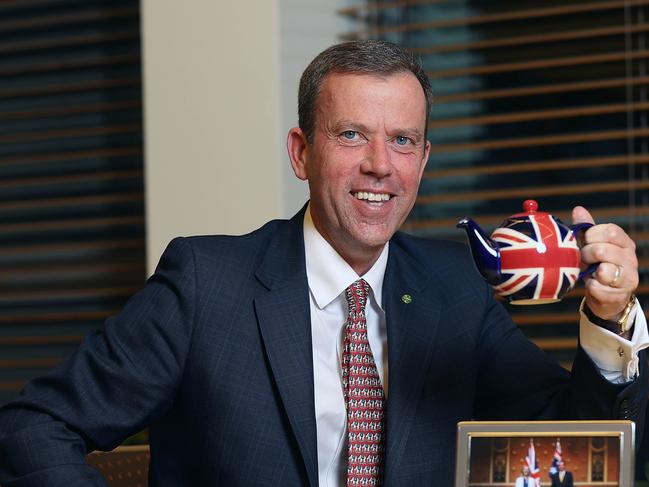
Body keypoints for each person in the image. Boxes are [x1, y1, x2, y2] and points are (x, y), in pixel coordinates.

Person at [0, 40, 647, 487]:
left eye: (400, 140)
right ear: (300, 151)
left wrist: (608, 316)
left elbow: (577, 441)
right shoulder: (205, 285)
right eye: (350, 134)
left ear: (422, 161)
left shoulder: (455, 288)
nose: (378, 165)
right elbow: (34, 425)